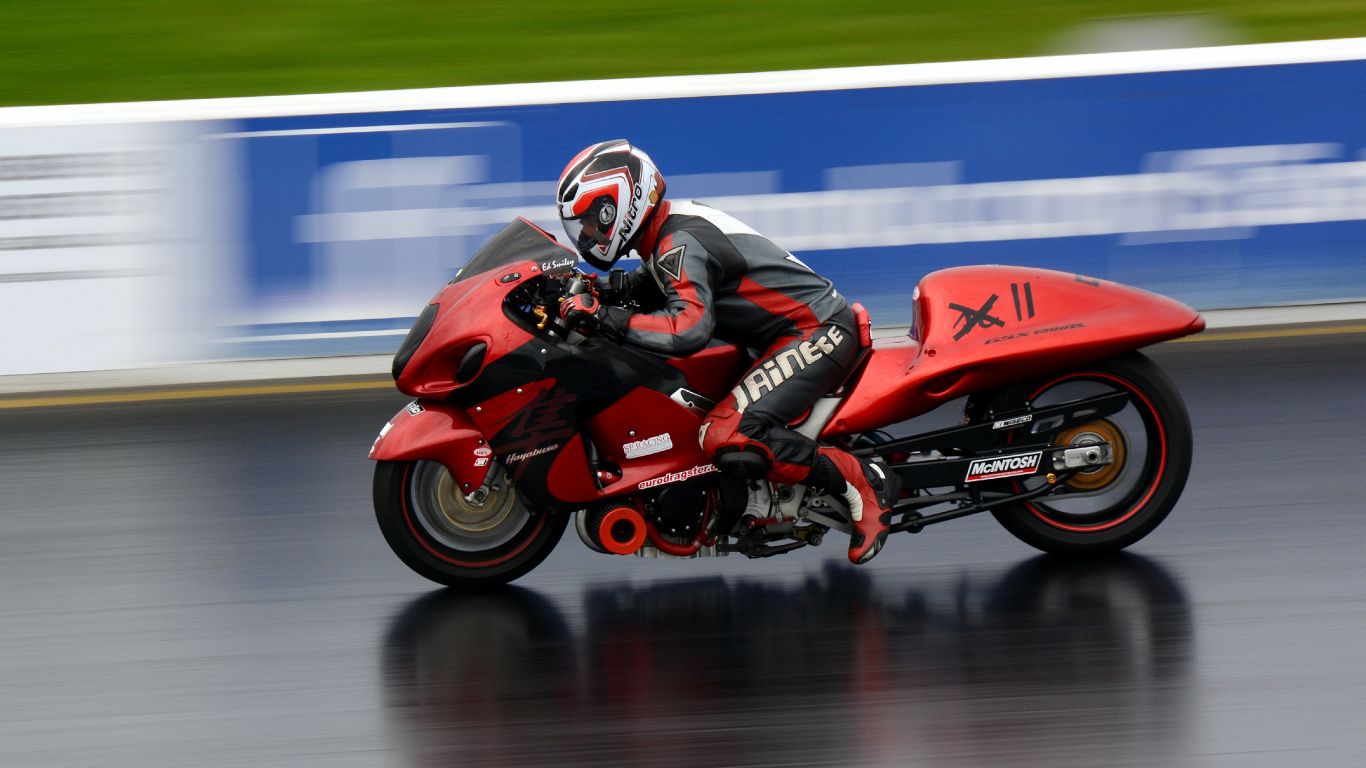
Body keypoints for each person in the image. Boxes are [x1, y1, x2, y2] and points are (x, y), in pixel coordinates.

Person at [555, 140, 899, 564]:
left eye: (591, 221)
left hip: (816, 331)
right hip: (785, 334)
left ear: (620, 205)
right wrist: (592, 291)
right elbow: (651, 284)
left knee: (726, 434)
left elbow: (688, 329)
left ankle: (860, 479)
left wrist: (606, 318)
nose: (587, 233)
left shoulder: (679, 240)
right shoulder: (669, 229)